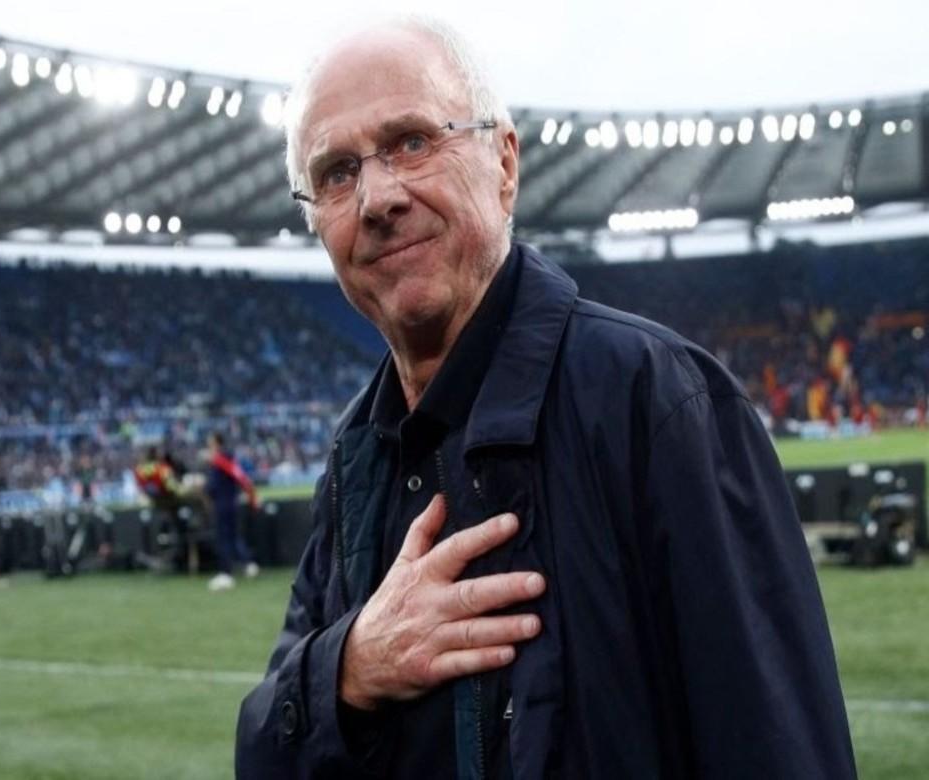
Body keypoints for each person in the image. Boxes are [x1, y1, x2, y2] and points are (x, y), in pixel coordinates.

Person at [236, 17, 855, 779]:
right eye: (336, 172)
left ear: (503, 162)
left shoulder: (658, 402)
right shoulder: (355, 458)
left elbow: (778, 751)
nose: (377, 197)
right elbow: (262, 751)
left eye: (411, 142)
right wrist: (349, 667)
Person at [205, 432, 261, 591]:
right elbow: (241, 478)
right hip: (232, 502)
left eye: (210, 443)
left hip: (222, 503)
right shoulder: (230, 460)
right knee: (234, 536)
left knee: (223, 537)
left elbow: (213, 486)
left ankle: (225, 573)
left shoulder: (219, 461)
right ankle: (248, 564)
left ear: (217, 443)